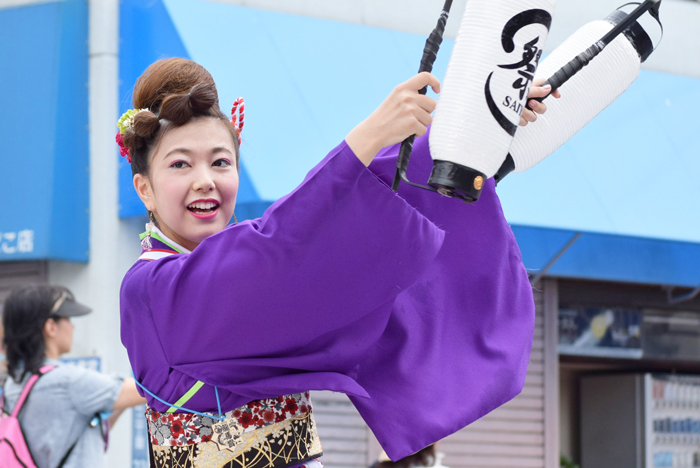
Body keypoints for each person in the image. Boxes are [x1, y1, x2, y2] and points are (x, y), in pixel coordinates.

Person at [118, 58, 557, 468]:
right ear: (145, 189)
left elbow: (331, 227)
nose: (205, 181)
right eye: (180, 164)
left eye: (220, 162)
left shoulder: (244, 262)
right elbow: (287, 245)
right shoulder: (149, 290)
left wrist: (474, 132)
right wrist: (369, 135)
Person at [1, 285, 146, 468]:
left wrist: (119, 404)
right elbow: (146, 390)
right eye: (68, 319)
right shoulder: (66, 381)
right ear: (51, 327)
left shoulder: (14, 383)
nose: (73, 326)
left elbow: (81, 436)